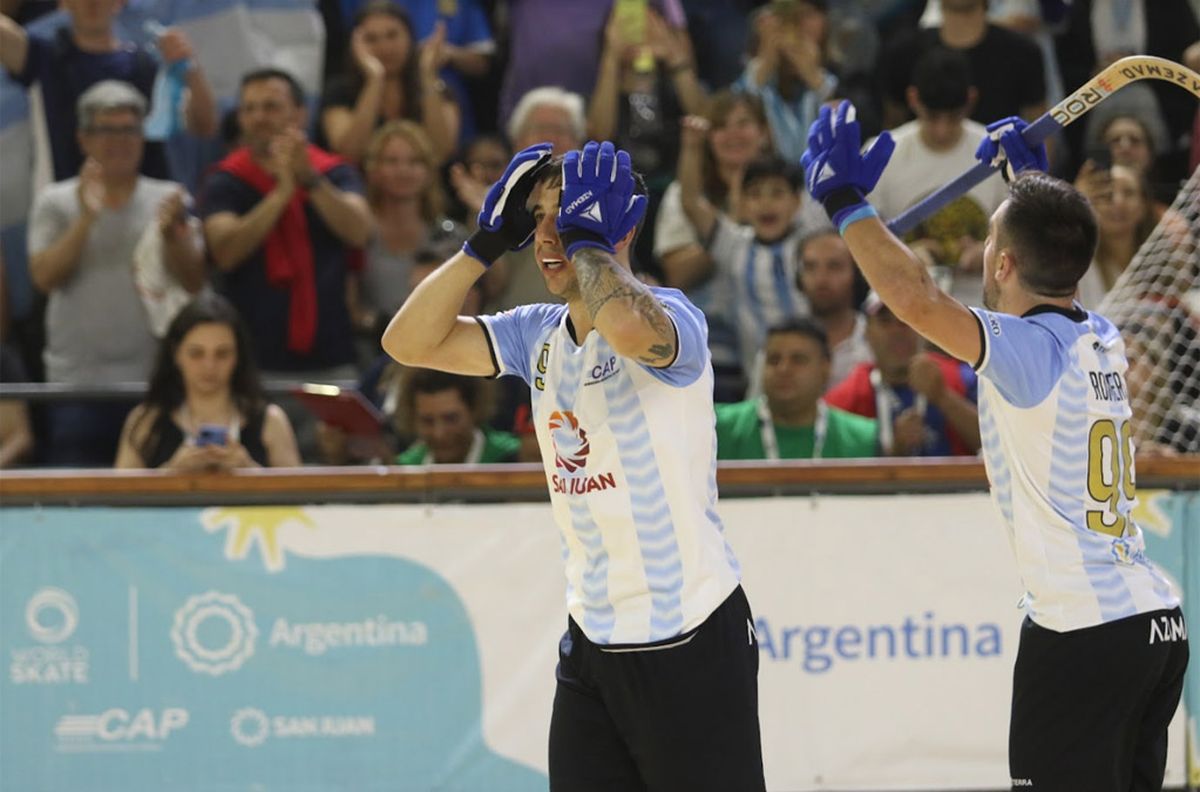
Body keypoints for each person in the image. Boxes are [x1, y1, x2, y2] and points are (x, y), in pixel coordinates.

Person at [802, 99, 1187, 790]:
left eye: (987, 242)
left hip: (1083, 630)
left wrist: (843, 202)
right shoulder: (1099, 335)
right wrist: (1027, 186)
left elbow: (916, 300)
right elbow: (1049, 252)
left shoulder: (1019, 351)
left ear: (1003, 262)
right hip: (1154, 623)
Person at [382, 140, 764, 789]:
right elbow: (407, 342)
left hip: (690, 636)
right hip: (591, 639)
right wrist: (481, 245)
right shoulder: (537, 332)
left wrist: (591, 245)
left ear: (626, 227)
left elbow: (628, 330)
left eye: (568, 216)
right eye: (537, 219)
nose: (548, 236)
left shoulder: (674, 317)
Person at [28, 80, 206, 466]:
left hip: (154, 387)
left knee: (154, 507)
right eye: (107, 130)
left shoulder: (170, 198)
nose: (119, 141)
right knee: (77, 509)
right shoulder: (55, 201)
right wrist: (87, 217)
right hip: (75, 387)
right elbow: (43, 278)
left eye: (129, 130)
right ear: (83, 138)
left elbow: (194, 281)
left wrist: (175, 238)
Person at [202, 68, 373, 381]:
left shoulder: (334, 172)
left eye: (271, 106)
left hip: (330, 356)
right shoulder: (225, 180)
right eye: (249, 108)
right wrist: (280, 195)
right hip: (250, 362)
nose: (259, 117)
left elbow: (359, 231)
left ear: (300, 114)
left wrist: (308, 180)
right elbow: (225, 252)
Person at [0, 0, 218, 181]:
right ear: (65, 3)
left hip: (145, 215)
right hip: (72, 213)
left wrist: (189, 68)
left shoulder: (145, 65)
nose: (92, 3)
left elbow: (203, 125)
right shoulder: (44, 59)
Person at [867, 48, 1008, 306]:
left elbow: (1020, 240)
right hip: (902, 301)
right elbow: (862, 240)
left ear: (971, 100)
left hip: (980, 304)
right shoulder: (879, 153)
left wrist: (989, 253)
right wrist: (903, 256)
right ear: (913, 99)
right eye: (932, 117)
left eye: (953, 118)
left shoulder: (998, 153)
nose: (942, 131)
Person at [677, 134, 817, 389]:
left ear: (797, 201)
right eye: (754, 194)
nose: (766, 203)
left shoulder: (811, 242)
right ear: (741, 202)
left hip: (817, 374)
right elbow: (690, 203)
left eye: (777, 193)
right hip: (760, 381)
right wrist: (692, 146)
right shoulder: (733, 244)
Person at [115, 292, 300, 470]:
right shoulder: (145, 422)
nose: (209, 366)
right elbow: (117, 496)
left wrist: (248, 470)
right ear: (176, 354)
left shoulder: (272, 421)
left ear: (238, 356)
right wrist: (171, 473)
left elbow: (299, 494)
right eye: (196, 354)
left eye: (222, 354)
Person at [825, 292, 981, 456]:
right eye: (885, 321)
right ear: (866, 333)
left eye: (905, 320)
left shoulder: (963, 377)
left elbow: (997, 444)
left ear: (923, 329)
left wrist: (943, 397)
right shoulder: (845, 400)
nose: (896, 331)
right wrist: (895, 451)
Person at [354, 121, 466, 339]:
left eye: (415, 161)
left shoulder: (449, 235)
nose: (403, 170)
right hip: (370, 351)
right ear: (374, 169)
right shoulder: (358, 232)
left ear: (429, 171)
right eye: (391, 161)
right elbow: (349, 305)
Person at [317, 1, 459, 165]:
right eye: (371, 39)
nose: (384, 47)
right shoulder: (339, 92)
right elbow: (349, 154)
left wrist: (427, 74)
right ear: (355, 45)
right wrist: (375, 79)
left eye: (392, 35)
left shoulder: (441, 90)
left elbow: (441, 152)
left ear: (410, 38)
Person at [715, 319, 877, 460]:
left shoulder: (864, 438)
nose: (783, 369)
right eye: (773, 360)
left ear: (825, 368)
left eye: (798, 360)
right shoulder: (718, 427)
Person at [876, 0, 1045, 131]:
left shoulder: (1022, 52)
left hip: (1001, 171)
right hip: (919, 170)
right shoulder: (903, 53)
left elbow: (1042, 129)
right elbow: (892, 126)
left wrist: (1031, 173)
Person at [394, 368, 520, 464]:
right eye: (427, 421)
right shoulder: (403, 470)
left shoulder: (517, 460)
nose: (439, 434)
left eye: (450, 419)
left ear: (474, 410)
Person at [795, 229, 870, 387]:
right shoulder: (781, 342)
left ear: (856, 274)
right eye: (810, 267)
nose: (821, 279)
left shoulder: (874, 342)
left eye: (834, 266)